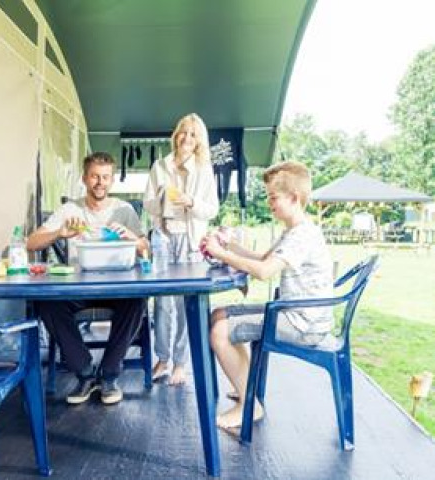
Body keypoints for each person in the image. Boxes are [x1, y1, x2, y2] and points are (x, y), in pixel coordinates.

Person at [202, 161, 334, 430]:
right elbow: (264, 258)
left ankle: (249, 407)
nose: (269, 203)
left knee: (220, 332)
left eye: (273, 197)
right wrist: (232, 246)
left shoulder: (302, 236)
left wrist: (220, 253)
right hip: (291, 313)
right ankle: (246, 387)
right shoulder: (294, 230)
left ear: (294, 198)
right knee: (219, 314)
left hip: (303, 324)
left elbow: (263, 271)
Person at [27, 151, 149, 405]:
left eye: (105, 177)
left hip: (117, 288)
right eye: (95, 176)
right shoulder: (70, 209)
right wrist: (59, 232)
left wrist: (133, 238)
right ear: (84, 178)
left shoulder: (125, 210)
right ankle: (83, 372)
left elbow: (147, 250)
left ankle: (109, 375)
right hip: (77, 287)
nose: (100, 182)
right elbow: (31, 242)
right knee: (47, 303)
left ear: (112, 180)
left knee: (137, 301)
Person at [143, 113, 219, 385]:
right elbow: (147, 204)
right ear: (176, 134)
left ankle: (180, 363)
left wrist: (191, 202)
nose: (187, 138)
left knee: (185, 303)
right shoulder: (160, 166)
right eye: (183, 132)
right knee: (162, 303)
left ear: (200, 141)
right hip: (163, 238)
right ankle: (162, 359)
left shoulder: (204, 169)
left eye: (193, 134)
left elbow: (212, 209)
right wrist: (163, 198)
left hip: (189, 240)